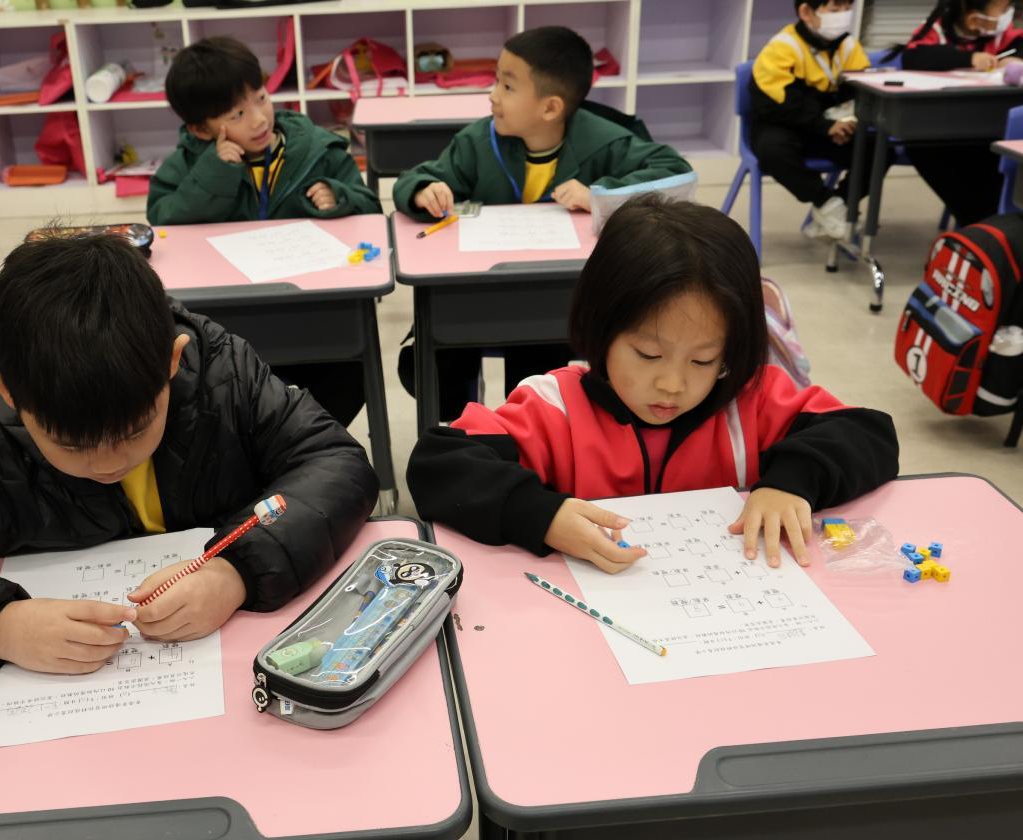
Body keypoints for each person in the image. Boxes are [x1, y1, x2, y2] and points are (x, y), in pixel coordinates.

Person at [0, 234, 378, 680]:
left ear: (172, 362)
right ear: (9, 394)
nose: (108, 463)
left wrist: (236, 572)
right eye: (73, 443)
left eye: (134, 429)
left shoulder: (224, 381)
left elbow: (336, 462)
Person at [407, 196, 899, 573]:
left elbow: (868, 432)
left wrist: (791, 482)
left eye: (704, 360)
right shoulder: (555, 408)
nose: (672, 384)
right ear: (601, 331)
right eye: (647, 354)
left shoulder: (750, 400)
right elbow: (438, 463)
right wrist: (540, 514)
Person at [393, 25, 692, 422]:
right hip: (482, 291)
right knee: (431, 363)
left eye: (507, 86)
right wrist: (424, 190)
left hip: (560, 296)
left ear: (550, 108)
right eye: (496, 81)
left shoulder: (604, 140)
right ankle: (467, 425)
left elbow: (676, 173)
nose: (492, 95)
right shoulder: (478, 142)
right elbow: (415, 178)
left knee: (536, 370)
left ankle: (531, 431)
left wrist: (598, 193)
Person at [146, 36, 382, 426]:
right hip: (228, 319)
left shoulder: (317, 150)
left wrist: (339, 198)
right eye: (237, 114)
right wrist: (214, 174)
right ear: (202, 129)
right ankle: (266, 440)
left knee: (350, 374)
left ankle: (302, 439)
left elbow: (370, 211)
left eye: (262, 98)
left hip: (312, 312)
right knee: (211, 386)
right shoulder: (186, 165)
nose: (258, 119)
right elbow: (163, 221)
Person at [750, 0, 884, 242]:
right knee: (772, 150)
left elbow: (861, 92)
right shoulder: (782, 47)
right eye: (834, 10)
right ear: (805, 12)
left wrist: (849, 120)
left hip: (831, 124)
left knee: (879, 149)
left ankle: (841, 205)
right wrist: (825, 126)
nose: (843, 16)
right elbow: (780, 105)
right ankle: (825, 202)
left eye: (847, 9)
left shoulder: (848, 45)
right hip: (785, 124)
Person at [898, 0, 1023, 225]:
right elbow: (913, 57)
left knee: (997, 159)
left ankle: (994, 222)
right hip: (938, 130)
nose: (1008, 14)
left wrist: (1016, 60)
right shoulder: (937, 29)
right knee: (929, 153)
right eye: (1003, 10)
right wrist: (969, 58)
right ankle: (981, 224)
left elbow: (1019, 46)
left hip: (989, 127)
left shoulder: (1002, 33)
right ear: (974, 19)